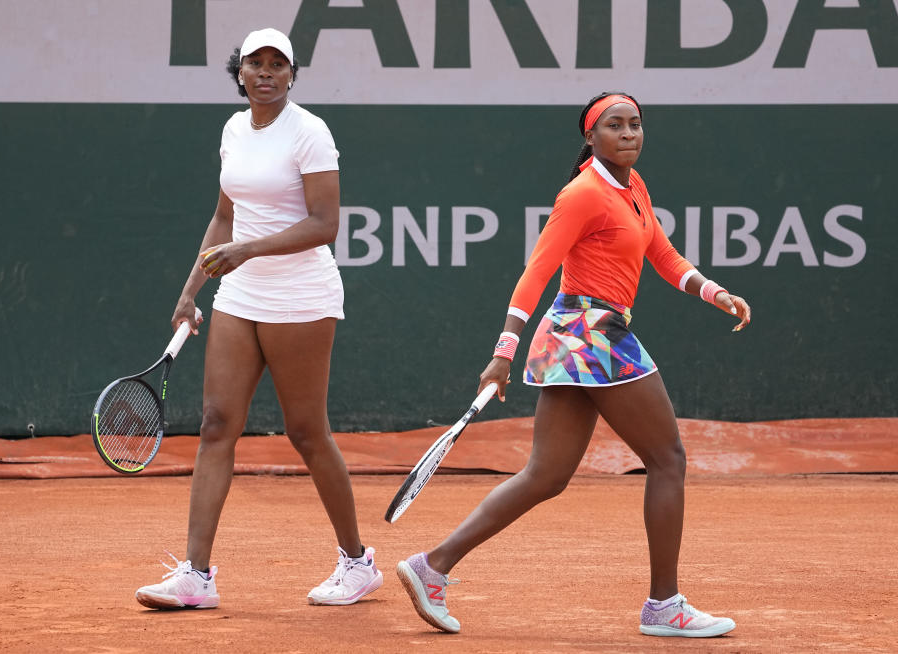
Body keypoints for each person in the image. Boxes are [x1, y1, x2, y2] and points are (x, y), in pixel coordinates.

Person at [396, 92, 751, 637]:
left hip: (573, 337)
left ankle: (432, 566)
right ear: (591, 136)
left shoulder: (632, 187)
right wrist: (502, 354)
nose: (629, 134)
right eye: (615, 125)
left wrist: (714, 292)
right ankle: (664, 606)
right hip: (594, 335)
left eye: (636, 124)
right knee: (667, 459)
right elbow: (536, 273)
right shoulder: (582, 194)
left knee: (545, 475)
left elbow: (662, 253)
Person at [134, 28, 382, 609]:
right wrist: (190, 290)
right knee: (218, 423)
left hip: (300, 295)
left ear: (292, 75)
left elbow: (325, 225)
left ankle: (356, 561)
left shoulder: (310, 132)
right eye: (255, 64)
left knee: (306, 431)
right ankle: (196, 575)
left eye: (278, 64)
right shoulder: (232, 129)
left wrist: (249, 249)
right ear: (239, 72)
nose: (266, 73)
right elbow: (225, 216)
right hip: (239, 294)